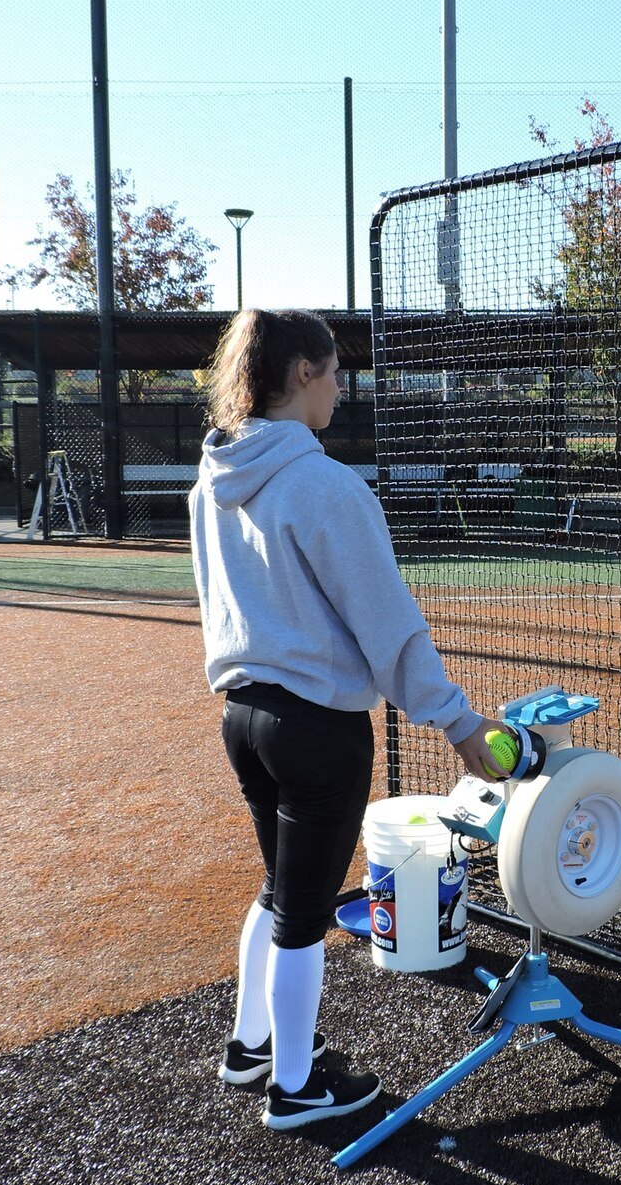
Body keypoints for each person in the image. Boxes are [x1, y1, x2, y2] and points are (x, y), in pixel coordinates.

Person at [190, 308, 507, 1131]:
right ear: (302, 372)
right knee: (304, 910)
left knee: (281, 889)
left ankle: (251, 1045)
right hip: (317, 728)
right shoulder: (323, 483)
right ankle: (294, 1088)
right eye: (335, 373)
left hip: (245, 717)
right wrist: (458, 723)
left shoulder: (212, 476)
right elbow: (388, 620)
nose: (341, 389)